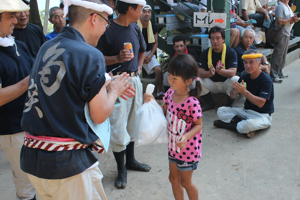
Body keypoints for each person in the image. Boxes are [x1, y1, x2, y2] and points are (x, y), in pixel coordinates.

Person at [20, 0, 134, 199]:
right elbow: (99, 115)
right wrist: (114, 90)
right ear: (93, 19)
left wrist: (106, 81)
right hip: (67, 164)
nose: (105, 31)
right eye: (106, 24)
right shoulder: (90, 54)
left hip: (33, 158)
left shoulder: (46, 46)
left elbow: (66, 86)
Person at [96, 0, 151, 190]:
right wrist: (117, 58)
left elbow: (142, 50)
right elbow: (96, 56)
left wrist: (139, 65)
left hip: (134, 80)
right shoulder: (108, 29)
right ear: (130, 9)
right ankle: (121, 169)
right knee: (118, 125)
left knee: (132, 122)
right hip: (116, 82)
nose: (142, 12)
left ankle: (131, 160)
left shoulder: (135, 28)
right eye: (140, 9)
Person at [144, 54, 203, 200]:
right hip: (173, 147)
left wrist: (186, 136)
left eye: (174, 78)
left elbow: (199, 125)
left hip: (188, 151)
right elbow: (164, 112)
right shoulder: (170, 94)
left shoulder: (192, 102)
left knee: (185, 182)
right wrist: (152, 102)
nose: (169, 80)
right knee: (173, 179)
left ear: (188, 81)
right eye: (169, 75)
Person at [0, 0, 37, 199]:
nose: (15, 20)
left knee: (35, 177)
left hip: (31, 123)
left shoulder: (18, 44)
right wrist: (28, 82)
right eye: (9, 16)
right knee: (26, 182)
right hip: (12, 128)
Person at [213, 49, 274, 138]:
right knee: (221, 111)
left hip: (262, 115)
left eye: (251, 62)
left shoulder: (266, 80)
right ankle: (243, 127)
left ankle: (230, 125)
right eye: (245, 63)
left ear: (259, 64)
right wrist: (235, 91)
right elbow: (232, 96)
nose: (248, 66)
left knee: (248, 125)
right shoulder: (244, 76)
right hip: (246, 112)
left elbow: (261, 103)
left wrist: (244, 92)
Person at [198, 26, 239, 111]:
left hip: (225, 83)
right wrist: (209, 73)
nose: (215, 41)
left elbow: (233, 72)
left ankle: (229, 104)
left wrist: (221, 71)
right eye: (212, 38)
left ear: (223, 39)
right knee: (196, 79)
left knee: (236, 79)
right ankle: (209, 102)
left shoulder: (231, 52)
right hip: (211, 83)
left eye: (218, 38)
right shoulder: (205, 53)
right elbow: (199, 71)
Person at [138, 5, 163, 98]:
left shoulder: (153, 25)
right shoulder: (135, 24)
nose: (146, 14)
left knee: (158, 69)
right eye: (144, 11)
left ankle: (159, 91)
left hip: (148, 52)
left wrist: (151, 54)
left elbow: (155, 43)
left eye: (149, 12)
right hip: (136, 52)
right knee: (135, 71)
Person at [270, 0, 299, 83]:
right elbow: (279, 21)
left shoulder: (287, 7)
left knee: (283, 54)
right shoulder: (280, 6)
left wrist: (294, 19)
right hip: (281, 33)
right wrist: (291, 19)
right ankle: (273, 75)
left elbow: (290, 18)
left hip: (287, 32)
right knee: (278, 54)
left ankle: (279, 72)